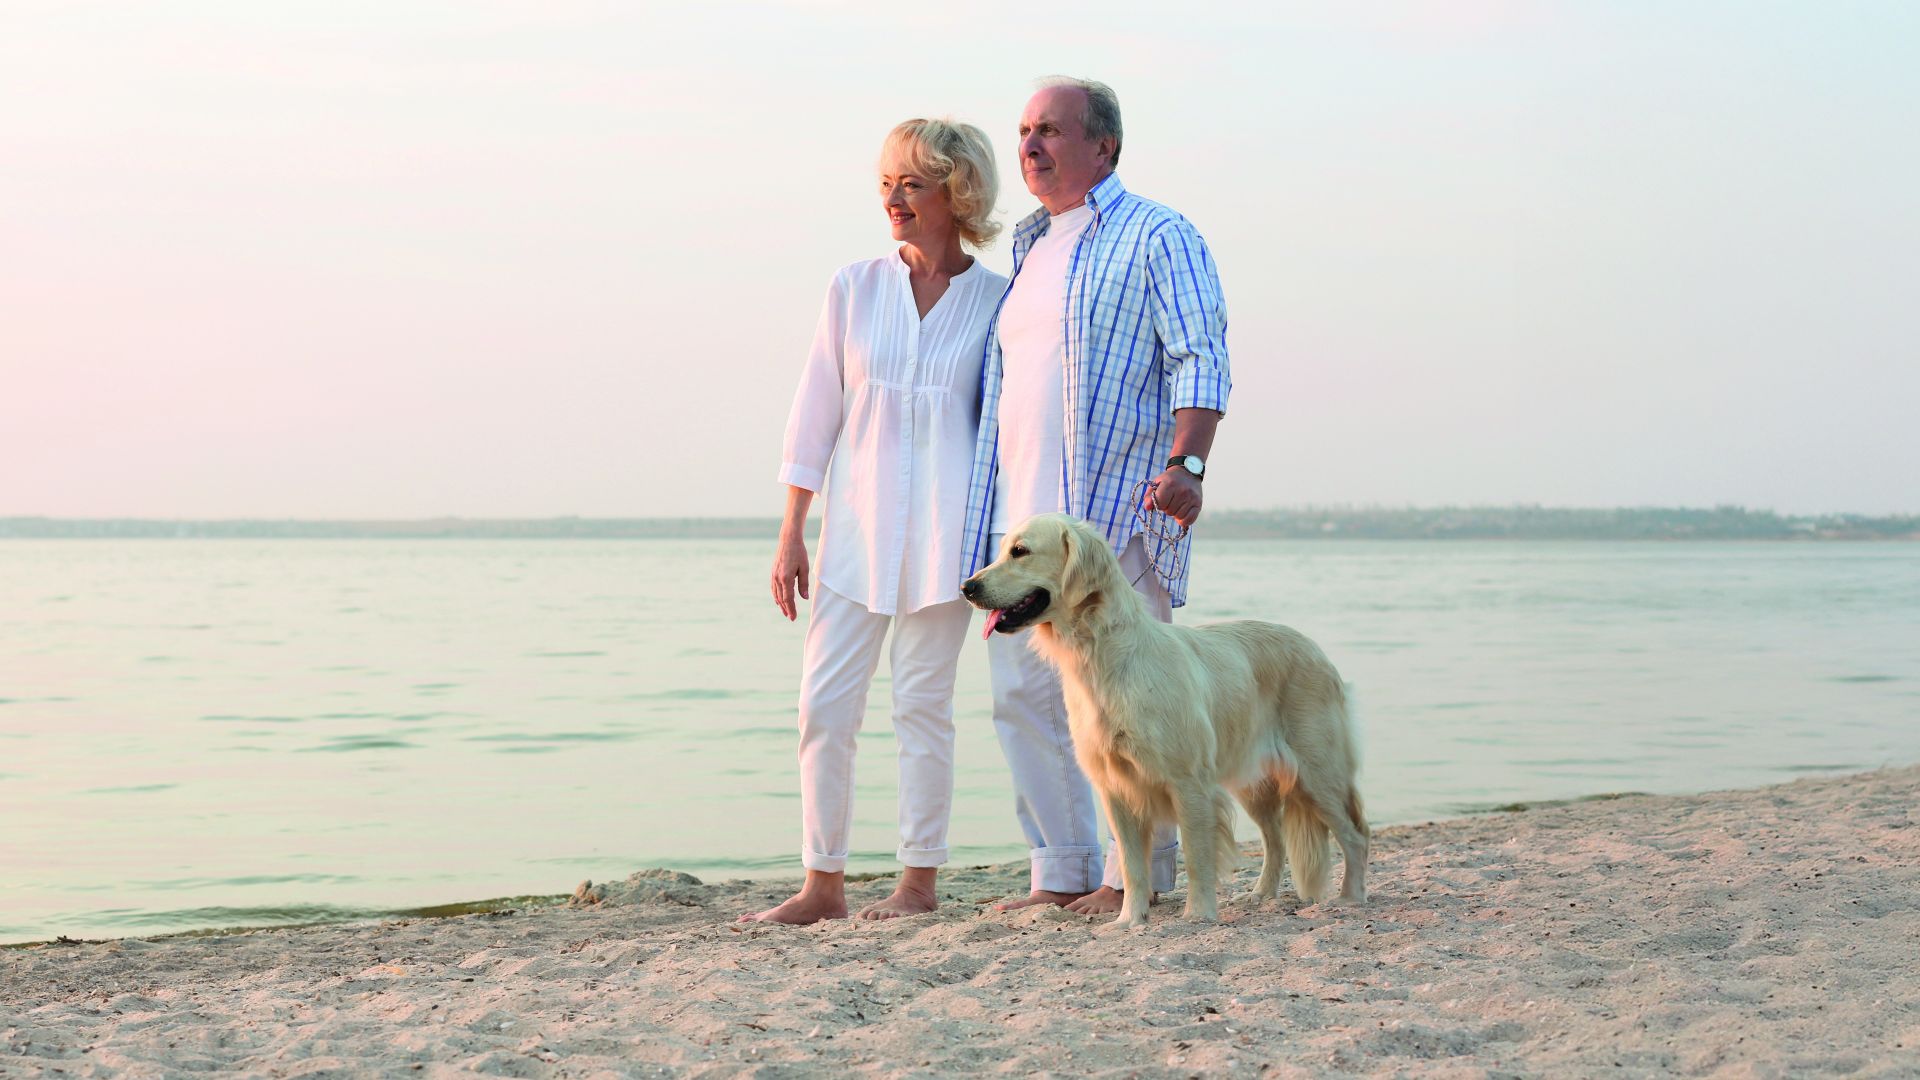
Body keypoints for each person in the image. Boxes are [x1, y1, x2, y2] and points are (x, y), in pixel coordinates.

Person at [961, 76, 1232, 915]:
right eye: (1024, 131)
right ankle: (1062, 870)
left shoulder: (1159, 234)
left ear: (1103, 145)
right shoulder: (1030, 247)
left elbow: (1201, 353)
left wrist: (1187, 465)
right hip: (1029, 530)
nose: (1031, 146)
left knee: (1140, 710)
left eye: (1050, 130)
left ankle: (1134, 881)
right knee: (1023, 697)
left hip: (1118, 523)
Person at [747, 119, 1008, 924]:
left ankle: (917, 885)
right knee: (824, 708)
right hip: (852, 534)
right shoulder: (853, 287)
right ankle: (822, 885)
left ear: (956, 193)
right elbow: (815, 411)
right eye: (887, 184)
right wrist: (793, 529)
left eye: (912, 184)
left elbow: (1004, 427)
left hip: (947, 537)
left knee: (924, 709)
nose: (893, 199)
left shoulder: (1000, 300)